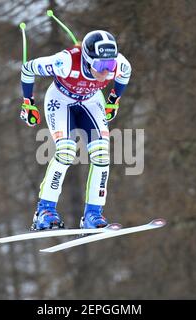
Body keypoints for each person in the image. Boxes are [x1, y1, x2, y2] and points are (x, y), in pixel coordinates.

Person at [19, 30, 131, 230]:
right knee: (66, 152)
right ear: (88, 59)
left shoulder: (119, 65)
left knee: (102, 156)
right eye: (100, 65)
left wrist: (114, 100)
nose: (106, 71)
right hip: (61, 101)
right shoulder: (65, 62)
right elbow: (28, 68)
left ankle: (93, 215)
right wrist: (28, 103)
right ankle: (44, 211)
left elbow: (125, 73)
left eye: (110, 64)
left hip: (91, 101)